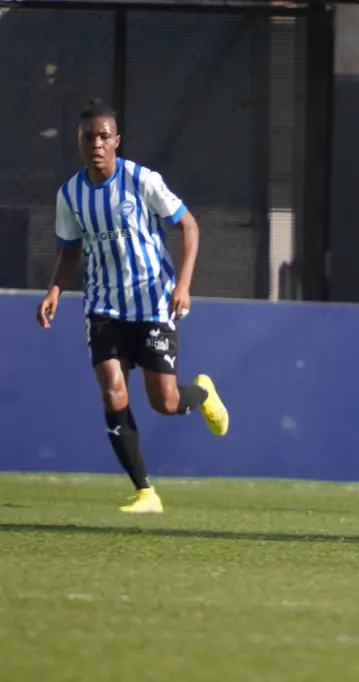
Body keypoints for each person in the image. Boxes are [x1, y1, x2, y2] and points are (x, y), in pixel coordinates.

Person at [35, 98, 230, 514]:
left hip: (153, 302)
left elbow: (188, 225)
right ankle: (145, 492)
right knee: (112, 389)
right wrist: (55, 290)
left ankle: (203, 393)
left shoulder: (141, 180)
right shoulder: (69, 195)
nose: (97, 144)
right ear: (79, 142)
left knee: (166, 402)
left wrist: (184, 284)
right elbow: (70, 251)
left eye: (105, 136)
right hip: (104, 305)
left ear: (116, 140)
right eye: (89, 137)